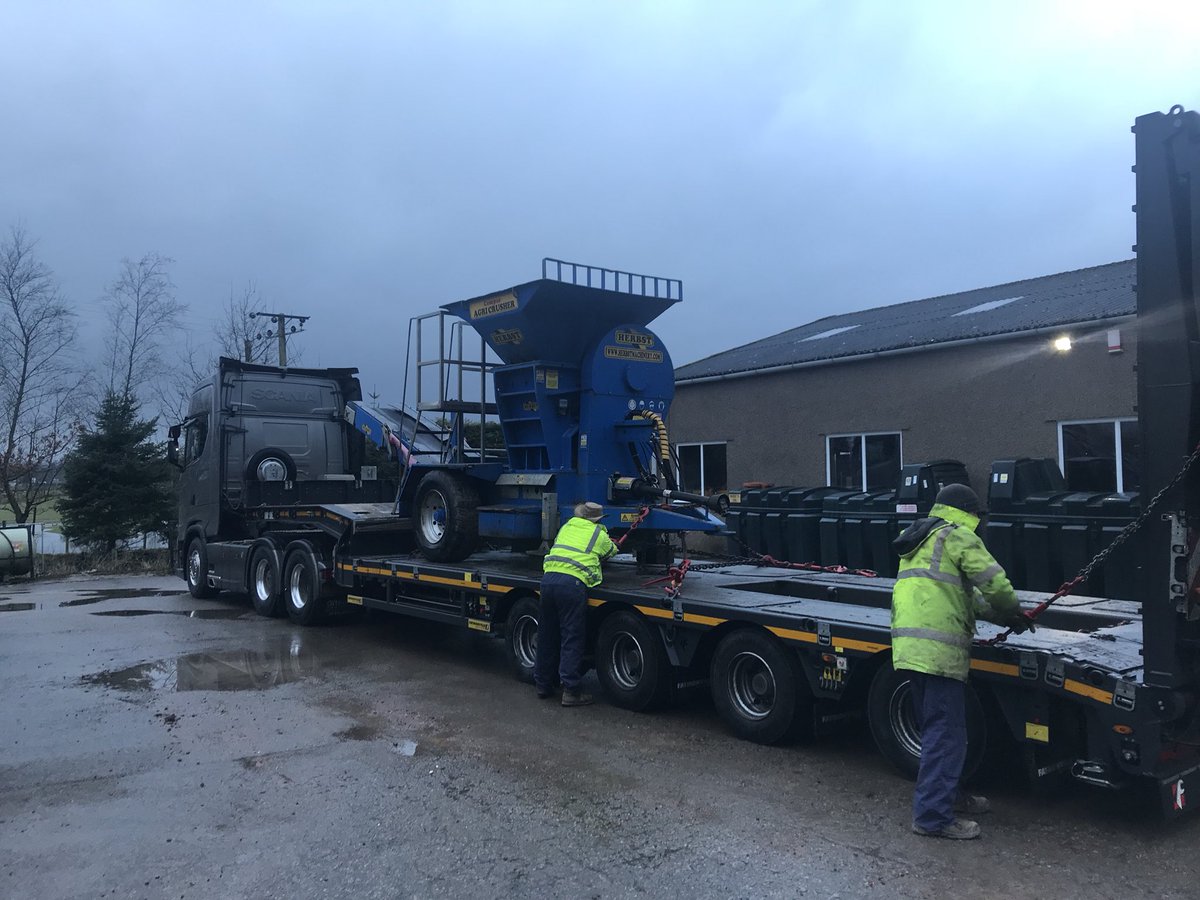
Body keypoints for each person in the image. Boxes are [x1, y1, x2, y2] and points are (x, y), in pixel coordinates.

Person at [890, 483, 1032, 840]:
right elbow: (995, 585)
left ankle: (948, 796)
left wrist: (1002, 618)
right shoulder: (957, 536)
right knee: (946, 736)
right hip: (938, 654)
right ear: (968, 513)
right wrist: (1013, 610)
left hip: (911, 650)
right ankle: (932, 817)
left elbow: (961, 598)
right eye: (977, 515)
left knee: (938, 732)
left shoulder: (920, 539)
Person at [535, 501, 618, 707]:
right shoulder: (598, 534)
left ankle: (543, 685)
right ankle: (571, 691)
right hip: (571, 585)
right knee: (571, 637)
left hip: (548, 580)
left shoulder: (567, 526)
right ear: (597, 520)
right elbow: (611, 552)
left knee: (547, 635)